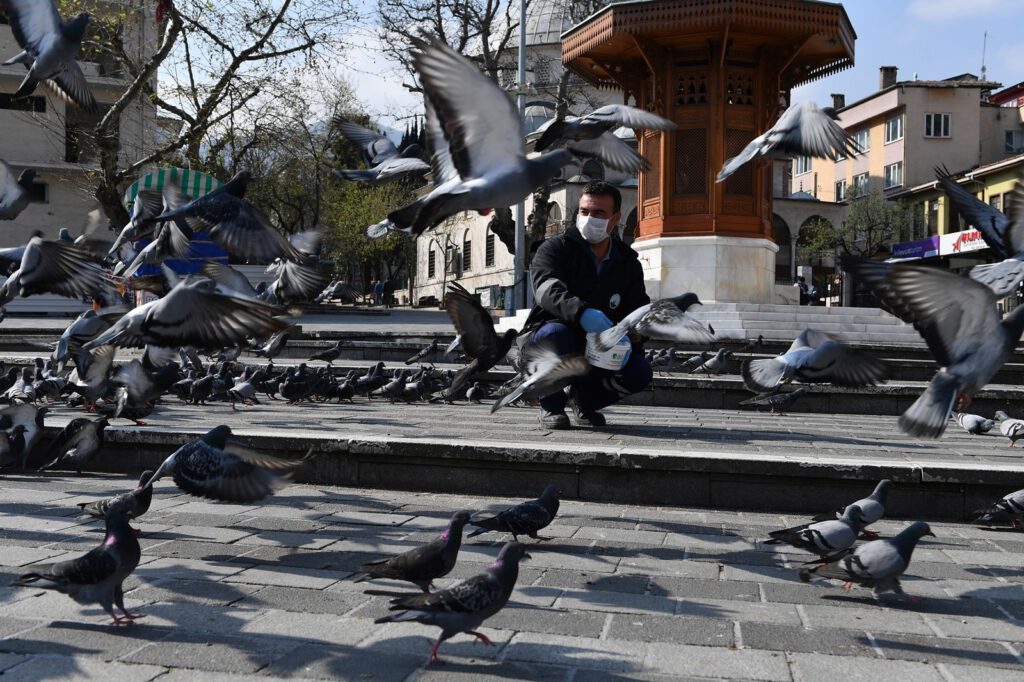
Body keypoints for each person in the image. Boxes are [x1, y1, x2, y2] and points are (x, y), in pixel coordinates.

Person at [522, 180, 653, 429]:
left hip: (603, 343)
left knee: (639, 372)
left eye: (599, 213)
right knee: (554, 335)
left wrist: (636, 335)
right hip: (559, 334)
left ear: (616, 218)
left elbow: (637, 307)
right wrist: (582, 312)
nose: (589, 218)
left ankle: (584, 400)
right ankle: (552, 406)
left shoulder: (627, 262)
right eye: (584, 211)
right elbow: (546, 290)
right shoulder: (555, 248)